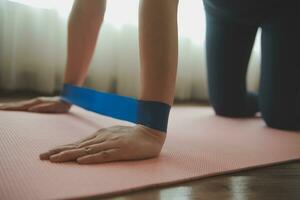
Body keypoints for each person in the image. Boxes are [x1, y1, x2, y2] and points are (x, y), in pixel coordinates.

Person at [0, 0, 299, 164]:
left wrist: (150, 127)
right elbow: (90, 6)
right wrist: (69, 93)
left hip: (283, 8)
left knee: (282, 116)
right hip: (224, 9)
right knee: (227, 107)